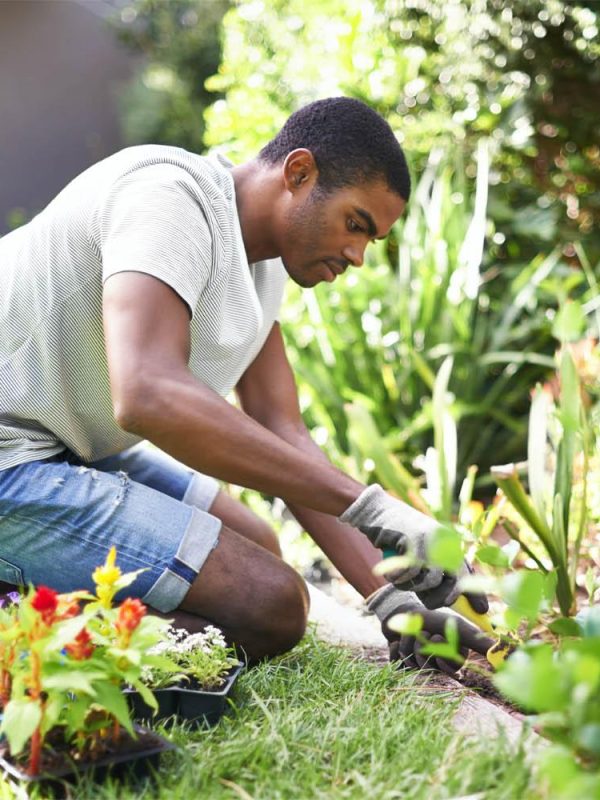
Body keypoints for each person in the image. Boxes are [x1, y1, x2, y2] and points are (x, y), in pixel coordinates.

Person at [0, 97, 493, 670]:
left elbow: (281, 430)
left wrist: (394, 600)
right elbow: (147, 394)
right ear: (299, 172)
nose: (357, 255)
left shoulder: (260, 269)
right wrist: (373, 507)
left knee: (260, 544)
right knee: (271, 606)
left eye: (371, 240)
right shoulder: (168, 198)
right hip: (9, 454)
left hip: (58, 448)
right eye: (355, 224)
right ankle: (18, 627)